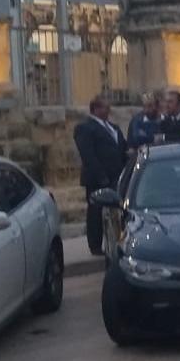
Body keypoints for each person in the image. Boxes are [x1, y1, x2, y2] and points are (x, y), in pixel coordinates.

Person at [73, 97, 129, 257]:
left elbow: (121, 147)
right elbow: (88, 155)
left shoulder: (113, 127)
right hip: (98, 177)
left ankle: (118, 240)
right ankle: (95, 245)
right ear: (95, 109)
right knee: (96, 211)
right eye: (105, 107)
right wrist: (101, 176)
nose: (108, 110)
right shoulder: (85, 128)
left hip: (117, 176)